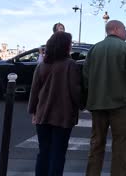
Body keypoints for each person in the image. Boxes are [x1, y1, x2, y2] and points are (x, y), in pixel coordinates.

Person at [82, 20, 126, 176]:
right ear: (115, 29)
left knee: (96, 144)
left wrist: (89, 97)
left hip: (97, 104)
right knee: (120, 145)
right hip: (120, 104)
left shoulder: (94, 49)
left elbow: (85, 77)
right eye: (125, 29)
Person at [28, 31, 81, 176]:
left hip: (42, 114)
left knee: (44, 152)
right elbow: (75, 91)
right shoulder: (70, 65)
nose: (71, 46)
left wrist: (33, 111)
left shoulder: (42, 65)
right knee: (58, 154)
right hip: (62, 116)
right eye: (70, 44)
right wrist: (82, 105)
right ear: (65, 46)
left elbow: (34, 91)